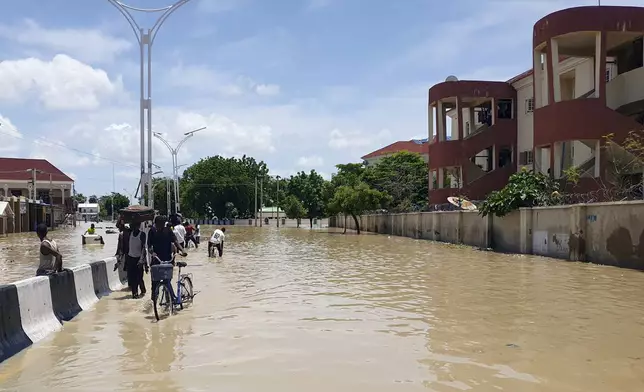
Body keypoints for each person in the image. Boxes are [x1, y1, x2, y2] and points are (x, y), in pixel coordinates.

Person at [148, 216, 187, 297]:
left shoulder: (168, 230)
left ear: (163, 224)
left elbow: (175, 241)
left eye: (161, 225)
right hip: (156, 260)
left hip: (168, 259)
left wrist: (182, 250)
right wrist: (152, 252)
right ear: (155, 224)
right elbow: (149, 246)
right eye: (158, 225)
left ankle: (168, 298)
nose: (159, 227)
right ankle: (154, 300)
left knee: (167, 281)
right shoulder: (152, 231)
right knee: (154, 282)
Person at [125, 222, 147, 298]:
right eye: (131, 225)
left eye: (134, 225)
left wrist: (143, 261)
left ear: (138, 226)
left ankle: (143, 289)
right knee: (132, 277)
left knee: (139, 277)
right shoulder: (129, 234)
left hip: (139, 259)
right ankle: (135, 293)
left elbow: (144, 248)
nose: (132, 227)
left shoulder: (142, 234)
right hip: (131, 258)